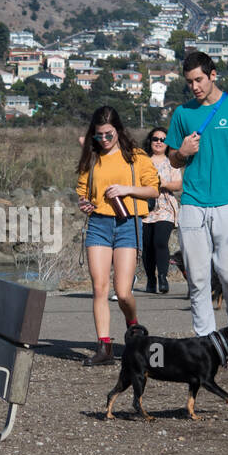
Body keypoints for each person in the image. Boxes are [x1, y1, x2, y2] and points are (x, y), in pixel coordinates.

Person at [166, 50, 228, 336]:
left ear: (213, 75)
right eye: (189, 82)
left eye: (199, 80)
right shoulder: (182, 113)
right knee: (197, 278)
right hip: (192, 203)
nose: (194, 87)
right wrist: (181, 152)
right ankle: (205, 340)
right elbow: (172, 158)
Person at [75, 106, 160, 366]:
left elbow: (153, 190)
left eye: (108, 134)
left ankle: (134, 328)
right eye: (99, 135)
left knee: (123, 293)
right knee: (100, 288)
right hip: (99, 224)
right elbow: (82, 191)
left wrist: (127, 189)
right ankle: (105, 347)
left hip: (128, 224)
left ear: (119, 131)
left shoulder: (136, 157)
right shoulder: (91, 157)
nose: (103, 139)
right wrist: (84, 203)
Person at [140, 127, 181, 294]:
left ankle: (163, 277)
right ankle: (151, 279)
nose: (158, 142)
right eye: (155, 139)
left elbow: (178, 185)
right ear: (150, 141)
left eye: (162, 139)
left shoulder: (172, 161)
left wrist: (163, 183)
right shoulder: (142, 161)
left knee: (160, 242)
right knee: (147, 245)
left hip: (165, 207)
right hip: (145, 207)